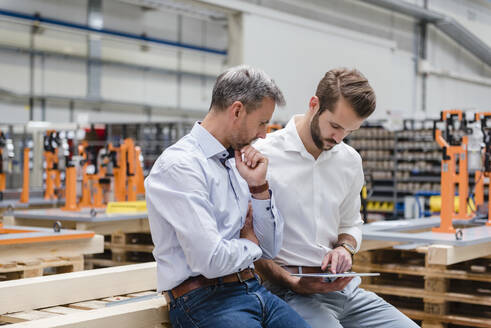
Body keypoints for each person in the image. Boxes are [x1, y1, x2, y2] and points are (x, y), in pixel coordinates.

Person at [145, 65, 311, 328]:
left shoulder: (238, 165)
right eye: (261, 122)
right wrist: (251, 245)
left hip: (254, 290)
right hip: (204, 300)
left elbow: (269, 248)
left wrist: (259, 189)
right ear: (237, 111)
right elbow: (210, 261)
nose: (263, 134)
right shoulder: (181, 166)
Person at [254, 68, 419, 328]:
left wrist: (345, 247)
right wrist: (288, 280)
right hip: (289, 291)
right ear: (314, 104)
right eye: (335, 126)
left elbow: (351, 223)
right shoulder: (263, 155)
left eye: (349, 131)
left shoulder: (349, 160)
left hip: (345, 290)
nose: (339, 138)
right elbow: (247, 239)